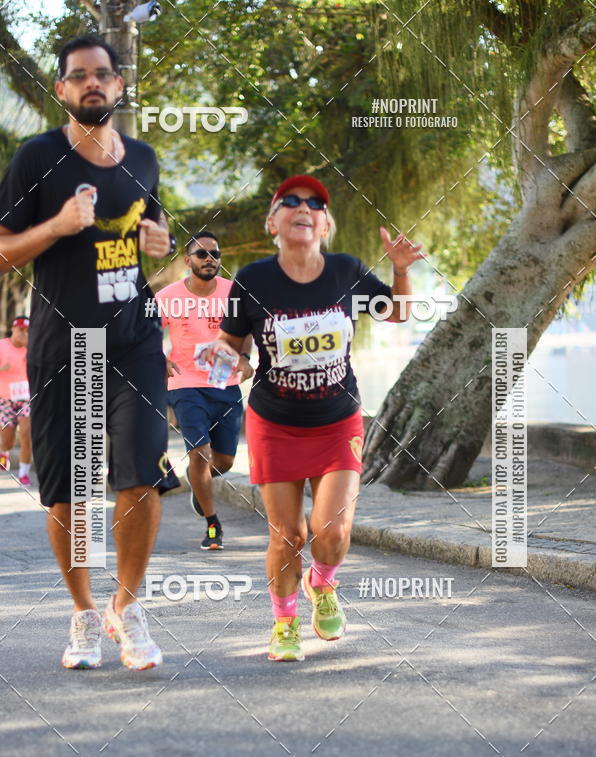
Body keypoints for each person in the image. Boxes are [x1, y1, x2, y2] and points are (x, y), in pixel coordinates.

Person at [0, 34, 179, 671]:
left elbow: (149, 234)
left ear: (119, 85)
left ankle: (125, 609)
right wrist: (57, 227)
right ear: (63, 90)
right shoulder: (36, 157)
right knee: (69, 492)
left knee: (139, 475)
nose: (92, 83)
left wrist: (159, 243)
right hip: (65, 343)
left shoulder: (147, 160)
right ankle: (82, 611)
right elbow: (4, 249)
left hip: (133, 340)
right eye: (80, 76)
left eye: (103, 74)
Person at [206, 174, 425, 661]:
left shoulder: (345, 270)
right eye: (290, 202)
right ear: (272, 222)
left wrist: (401, 271)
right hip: (274, 422)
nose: (303, 208)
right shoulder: (254, 280)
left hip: (337, 421)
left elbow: (397, 312)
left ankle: (321, 584)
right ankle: (284, 623)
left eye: (315, 204)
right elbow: (234, 349)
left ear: (326, 225)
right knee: (288, 536)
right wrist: (229, 364)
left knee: (332, 532)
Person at [157, 231, 253, 549]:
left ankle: (201, 484)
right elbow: (145, 333)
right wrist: (159, 360)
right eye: (202, 254)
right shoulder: (168, 296)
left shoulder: (233, 292)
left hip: (223, 382)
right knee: (200, 452)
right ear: (188, 261)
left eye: (215, 254)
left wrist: (244, 358)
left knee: (223, 461)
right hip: (184, 384)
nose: (210, 259)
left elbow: (246, 330)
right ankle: (213, 525)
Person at [0, 316, 32, 485]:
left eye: (26, 331)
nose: (22, 334)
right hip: (5, 399)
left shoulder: (32, 348)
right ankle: (4, 452)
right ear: (13, 329)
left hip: (26, 398)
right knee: (8, 439)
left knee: (27, 433)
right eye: (20, 330)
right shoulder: (2, 345)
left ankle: (23, 472)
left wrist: (29, 348)